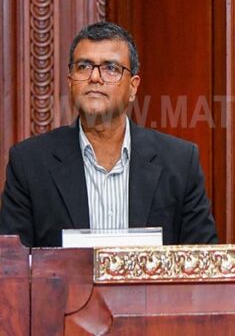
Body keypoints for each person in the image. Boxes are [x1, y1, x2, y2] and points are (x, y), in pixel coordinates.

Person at [0, 22, 218, 247]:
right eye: (84, 66)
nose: (95, 77)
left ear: (133, 87)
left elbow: (203, 259)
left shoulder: (179, 162)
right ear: (70, 81)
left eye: (111, 68)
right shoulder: (29, 163)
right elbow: (11, 262)